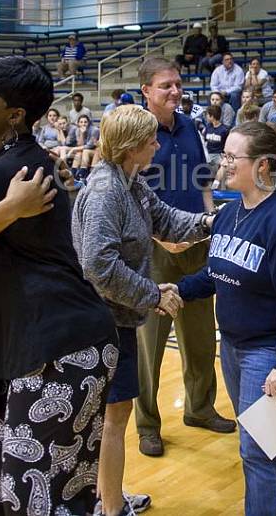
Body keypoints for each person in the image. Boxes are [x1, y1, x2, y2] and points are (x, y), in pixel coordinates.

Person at [0, 56, 120, 516]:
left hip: (55, 353)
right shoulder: (28, 163)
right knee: (59, 495)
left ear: (14, 115)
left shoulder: (3, 176)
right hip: (79, 347)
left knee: (32, 502)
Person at [74, 104, 214, 516]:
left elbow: (166, 221)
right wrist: (152, 293)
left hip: (117, 317)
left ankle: (106, 497)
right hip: (101, 322)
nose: (158, 144)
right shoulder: (106, 191)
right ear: (132, 146)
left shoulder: (131, 182)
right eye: (151, 139)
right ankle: (112, 509)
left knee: (111, 416)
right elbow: (98, 265)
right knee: (114, 417)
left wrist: (212, 223)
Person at [177, 121, 276, 516]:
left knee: (254, 448)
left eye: (233, 157)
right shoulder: (229, 214)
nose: (224, 163)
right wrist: (178, 291)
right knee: (264, 440)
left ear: (263, 166)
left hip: (266, 353)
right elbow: (215, 273)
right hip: (233, 346)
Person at [134, 57, 236, 458]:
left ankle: (199, 408)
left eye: (177, 84)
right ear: (146, 91)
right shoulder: (136, 131)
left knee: (198, 335)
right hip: (154, 250)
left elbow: (201, 181)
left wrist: (208, 219)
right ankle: (147, 424)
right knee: (150, 343)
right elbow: (130, 194)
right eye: (165, 86)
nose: (175, 91)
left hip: (195, 245)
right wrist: (160, 237)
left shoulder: (191, 126)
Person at [72, 114, 101, 180]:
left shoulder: (95, 130)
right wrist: (82, 134)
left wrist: (74, 148)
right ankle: (74, 176)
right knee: (79, 153)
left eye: (85, 122)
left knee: (85, 151)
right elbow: (80, 145)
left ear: (89, 123)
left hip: (95, 150)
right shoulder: (77, 130)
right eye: (81, 122)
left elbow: (90, 145)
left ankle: (82, 174)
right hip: (85, 150)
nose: (83, 124)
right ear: (78, 123)